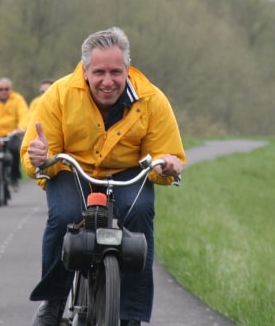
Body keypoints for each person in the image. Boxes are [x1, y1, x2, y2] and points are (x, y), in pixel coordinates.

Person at [21, 27, 186, 326]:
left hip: (127, 171)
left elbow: (166, 153)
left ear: (127, 69)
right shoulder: (59, 94)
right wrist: (40, 159)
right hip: (73, 168)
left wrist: (168, 165)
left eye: (115, 72)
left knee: (139, 212)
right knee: (65, 216)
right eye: (99, 72)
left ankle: (131, 314)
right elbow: (37, 156)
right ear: (85, 71)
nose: (107, 81)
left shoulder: (152, 100)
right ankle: (54, 302)